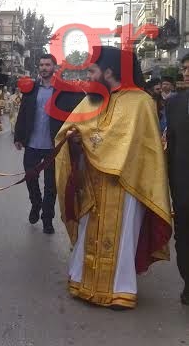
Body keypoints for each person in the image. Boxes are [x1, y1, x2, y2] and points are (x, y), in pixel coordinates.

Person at [55, 46, 172, 309]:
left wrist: (88, 140)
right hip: (93, 181)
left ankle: (121, 290)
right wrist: (73, 139)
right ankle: (83, 282)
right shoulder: (93, 99)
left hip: (125, 184)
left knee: (122, 237)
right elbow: (70, 130)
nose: (89, 75)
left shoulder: (140, 102)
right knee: (89, 232)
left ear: (108, 71)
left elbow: (135, 146)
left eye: (93, 70)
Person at [14, 54, 84, 234]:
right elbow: (23, 113)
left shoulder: (65, 91)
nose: (43, 67)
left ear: (55, 67)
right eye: (41, 64)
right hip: (32, 144)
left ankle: (47, 219)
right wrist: (19, 137)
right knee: (30, 178)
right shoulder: (31, 90)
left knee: (51, 185)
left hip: (54, 146)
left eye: (47, 64)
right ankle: (35, 203)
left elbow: (79, 110)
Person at [164, 53, 189, 305]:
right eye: (184, 68)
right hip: (183, 186)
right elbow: (170, 146)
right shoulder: (174, 104)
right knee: (183, 238)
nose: (186, 72)